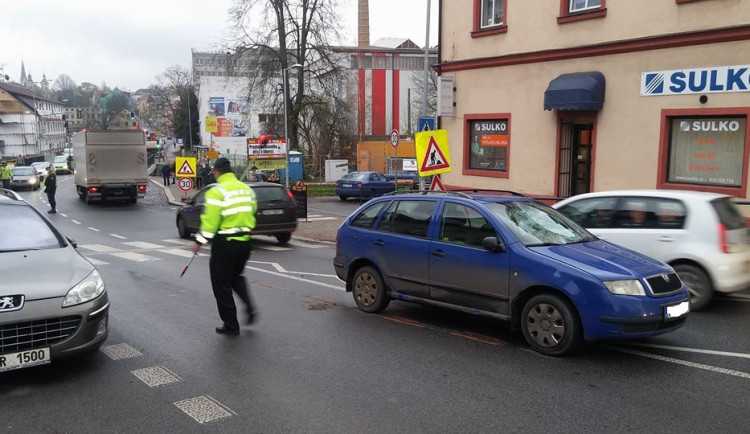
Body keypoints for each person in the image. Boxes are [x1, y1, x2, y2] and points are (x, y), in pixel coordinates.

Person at [195, 157, 258, 335]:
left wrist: (200, 240)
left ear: (216, 172)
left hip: (225, 244)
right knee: (236, 276)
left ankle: (231, 325)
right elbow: (253, 210)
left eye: (213, 172)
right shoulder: (246, 189)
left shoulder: (217, 192)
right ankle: (249, 305)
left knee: (221, 284)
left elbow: (210, 222)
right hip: (245, 242)